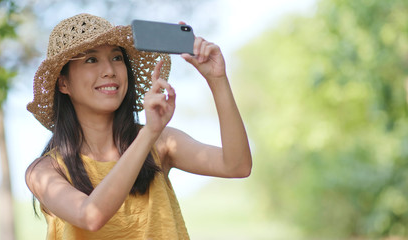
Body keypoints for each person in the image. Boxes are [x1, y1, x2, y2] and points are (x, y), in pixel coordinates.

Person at [25, 13, 252, 240]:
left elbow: (237, 166)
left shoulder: (162, 143)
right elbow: (90, 216)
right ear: (64, 83)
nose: (110, 70)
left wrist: (217, 79)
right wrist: (148, 134)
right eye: (91, 60)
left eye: (116, 58)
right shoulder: (44, 171)